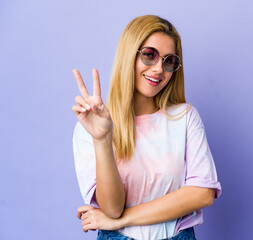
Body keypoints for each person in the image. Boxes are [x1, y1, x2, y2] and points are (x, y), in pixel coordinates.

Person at [72, 15, 221, 240]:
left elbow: (202, 194)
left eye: (169, 61)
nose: (159, 69)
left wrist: (123, 219)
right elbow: (112, 208)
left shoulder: (185, 117)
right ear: (129, 55)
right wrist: (102, 139)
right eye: (150, 55)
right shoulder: (92, 125)